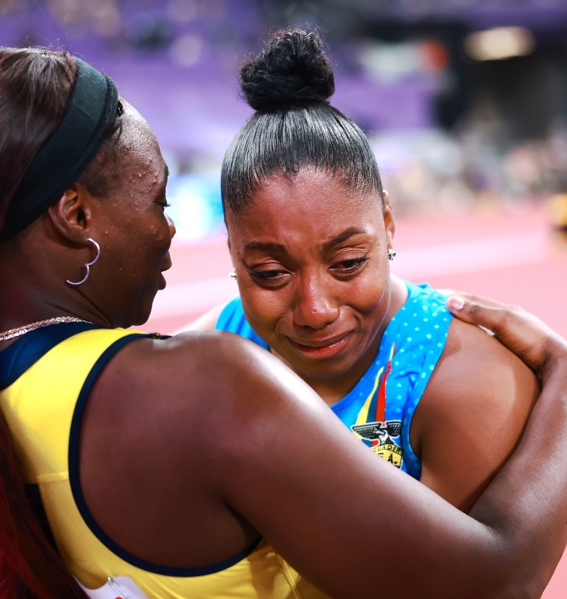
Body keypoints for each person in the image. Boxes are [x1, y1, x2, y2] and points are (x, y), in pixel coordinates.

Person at [0, 47, 567, 599]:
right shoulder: (201, 388)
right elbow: (494, 578)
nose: (169, 230)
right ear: (77, 216)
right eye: (156, 198)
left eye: (346, 260)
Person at [184, 28, 537, 513]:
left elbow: (474, 578)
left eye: (347, 264)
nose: (315, 309)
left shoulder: (464, 379)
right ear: (232, 254)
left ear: (388, 226)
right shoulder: (219, 346)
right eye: (269, 273)